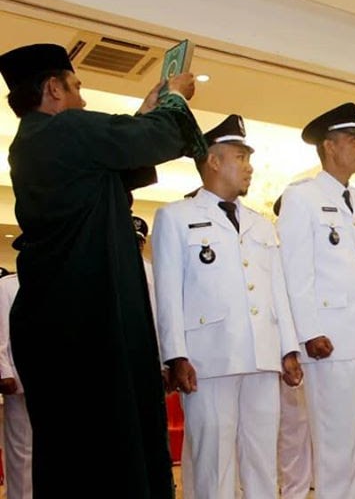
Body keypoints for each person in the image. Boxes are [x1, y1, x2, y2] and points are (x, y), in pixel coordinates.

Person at [0, 42, 203, 497]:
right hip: (90, 326)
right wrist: (174, 99)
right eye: (76, 87)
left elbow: (116, 160)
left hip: (59, 325)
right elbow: (155, 140)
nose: (83, 98)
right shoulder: (65, 128)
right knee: (111, 447)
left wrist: (144, 112)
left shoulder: (32, 143)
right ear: (53, 89)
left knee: (74, 452)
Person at [153, 114, 303, 499]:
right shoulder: (176, 217)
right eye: (241, 157)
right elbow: (167, 294)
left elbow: (277, 290)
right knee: (213, 464)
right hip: (209, 359)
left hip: (262, 355)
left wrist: (288, 347)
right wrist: (175, 356)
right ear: (214, 161)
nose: (250, 167)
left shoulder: (261, 224)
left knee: (261, 462)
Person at [278, 103, 355, 498]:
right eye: (353, 140)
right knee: (337, 445)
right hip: (332, 340)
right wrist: (309, 331)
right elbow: (295, 271)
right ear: (329, 146)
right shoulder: (301, 197)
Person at [271, 196, 313, 499]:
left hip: (306, 344)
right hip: (278, 344)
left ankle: (300, 486)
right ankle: (290, 489)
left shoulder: (309, 247)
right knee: (287, 425)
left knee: (301, 423)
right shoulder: (270, 245)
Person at [0, 270, 31, 499]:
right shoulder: (7, 285)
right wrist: (3, 371)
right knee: (21, 451)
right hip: (18, 377)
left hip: (54, 378)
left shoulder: (59, 278)